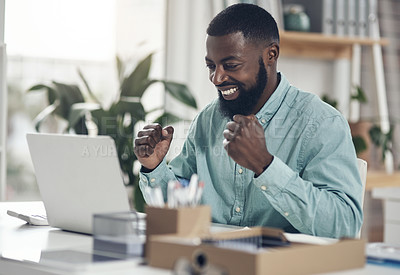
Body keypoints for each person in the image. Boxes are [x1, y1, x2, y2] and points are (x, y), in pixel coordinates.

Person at [134, 3, 363, 238]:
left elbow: (344, 225)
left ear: (270, 55)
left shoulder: (322, 123)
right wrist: (154, 166)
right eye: (211, 66)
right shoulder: (207, 119)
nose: (217, 78)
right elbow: (182, 205)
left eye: (231, 65)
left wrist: (265, 166)